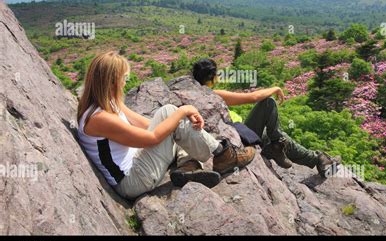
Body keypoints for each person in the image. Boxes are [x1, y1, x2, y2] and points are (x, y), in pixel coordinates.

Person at [77, 51, 256, 200]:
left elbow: (146, 124)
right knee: (171, 113)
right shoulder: (99, 118)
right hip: (132, 181)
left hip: (138, 164)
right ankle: (223, 155)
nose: (126, 82)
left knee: (170, 120)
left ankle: (188, 167)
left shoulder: (108, 102)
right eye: (124, 77)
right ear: (113, 81)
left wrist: (175, 123)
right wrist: (182, 111)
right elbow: (151, 138)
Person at [192, 58, 340, 177]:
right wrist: (275, 88)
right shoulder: (213, 94)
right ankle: (289, 148)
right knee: (268, 103)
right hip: (239, 137)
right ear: (211, 78)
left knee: (280, 137)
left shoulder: (194, 93)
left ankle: (315, 158)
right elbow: (254, 97)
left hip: (239, 132)